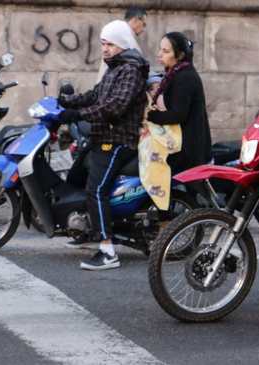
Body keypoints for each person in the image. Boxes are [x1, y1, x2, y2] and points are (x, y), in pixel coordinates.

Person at [58, 20, 149, 270]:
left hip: (118, 140)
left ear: (121, 44)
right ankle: (87, 229)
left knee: (96, 190)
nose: (105, 49)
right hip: (103, 137)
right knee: (78, 176)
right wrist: (68, 102)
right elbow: (95, 95)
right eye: (103, 43)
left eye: (109, 44)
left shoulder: (130, 70)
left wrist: (79, 114)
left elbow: (115, 106)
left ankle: (108, 252)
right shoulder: (115, 67)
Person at [146, 32, 212, 173]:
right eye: (160, 49)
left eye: (166, 51)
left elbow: (177, 115)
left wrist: (149, 116)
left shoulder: (184, 77)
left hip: (188, 149)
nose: (159, 54)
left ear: (180, 55)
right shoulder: (175, 73)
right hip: (181, 144)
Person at [96, 6, 146, 82]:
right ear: (135, 20)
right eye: (144, 24)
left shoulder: (121, 31)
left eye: (110, 44)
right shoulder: (124, 35)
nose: (143, 29)